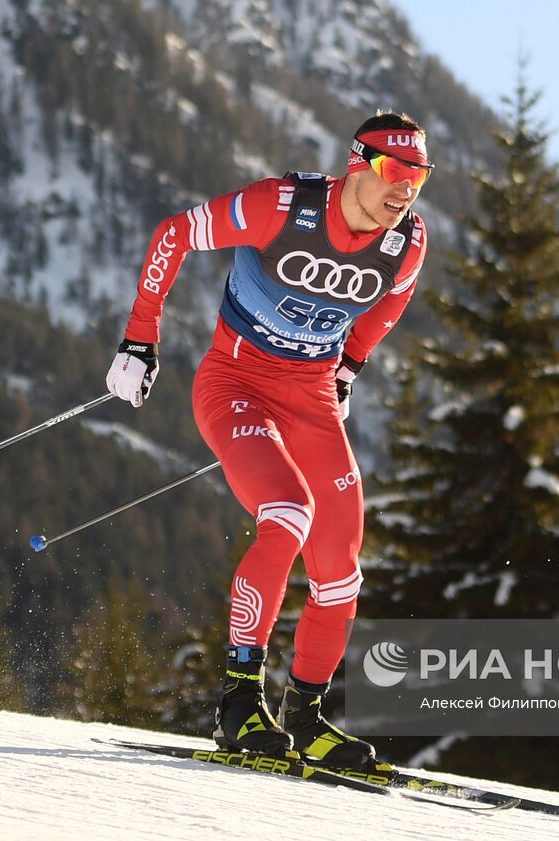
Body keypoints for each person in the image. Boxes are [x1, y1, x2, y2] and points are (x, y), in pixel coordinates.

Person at [105, 111, 431, 767]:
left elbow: (389, 306)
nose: (404, 191)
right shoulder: (280, 206)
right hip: (235, 384)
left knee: (340, 566)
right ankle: (238, 702)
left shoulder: (407, 243)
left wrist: (350, 367)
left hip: (311, 399)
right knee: (287, 512)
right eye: (395, 172)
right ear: (358, 163)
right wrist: (140, 338)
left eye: (418, 179)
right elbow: (174, 234)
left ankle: (306, 716)